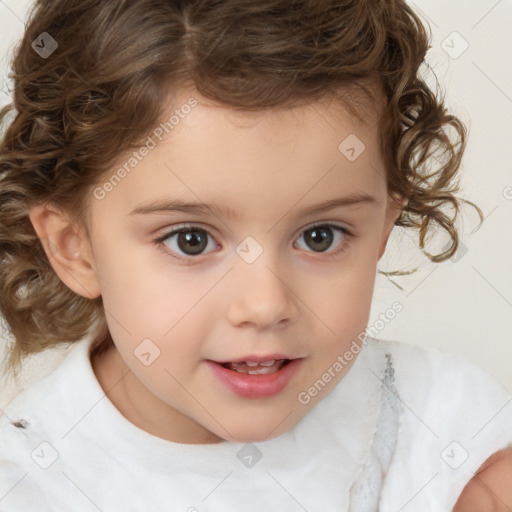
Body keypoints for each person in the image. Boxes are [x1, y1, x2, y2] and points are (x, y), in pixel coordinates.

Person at [0, 0, 511, 510]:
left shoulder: (453, 439)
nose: (265, 305)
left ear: (381, 227)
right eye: (191, 240)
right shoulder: (28, 484)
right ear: (75, 248)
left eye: (320, 236)